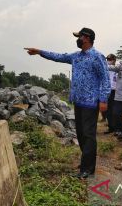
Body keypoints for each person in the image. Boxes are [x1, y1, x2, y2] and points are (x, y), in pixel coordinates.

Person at [24, 27, 111, 179]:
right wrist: (39, 52)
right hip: (78, 101)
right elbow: (58, 56)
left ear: (88, 38)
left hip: (91, 102)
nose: (78, 40)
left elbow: (105, 79)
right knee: (81, 134)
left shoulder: (98, 57)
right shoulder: (76, 56)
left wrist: (103, 99)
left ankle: (87, 169)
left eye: (80, 37)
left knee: (89, 135)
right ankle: (86, 162)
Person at [104, 54, 117, 134]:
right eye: (107, 59)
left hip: (115, 91)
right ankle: (111, 127)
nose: (108, 60)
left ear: (114, 60)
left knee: (115, 111)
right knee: (108, 110)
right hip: (107, 91)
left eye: (110, 59)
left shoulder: (118, 69)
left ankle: (117, 128)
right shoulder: (106, 69)